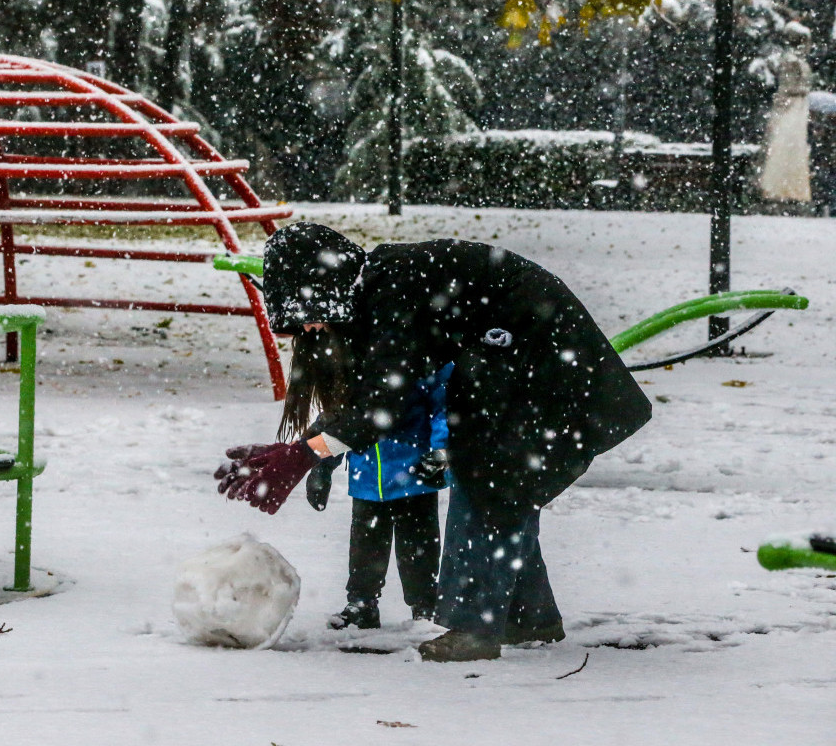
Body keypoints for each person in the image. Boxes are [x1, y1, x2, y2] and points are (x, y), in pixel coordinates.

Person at [215, 222, 652, 662]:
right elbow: (375, 397)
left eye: (307, 313)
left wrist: (306, 455)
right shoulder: (377, 291)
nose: (309, 328)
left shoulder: (392, 291)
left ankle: (474, 629)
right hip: (522, 370)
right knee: (503, 487)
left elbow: (386, 401)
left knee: (490, 483)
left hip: (548, 371)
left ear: (326, 287)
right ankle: (528, 618)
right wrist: (295, 450)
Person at [308, 362, 453, 631]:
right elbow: (341, 418)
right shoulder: (357, 355)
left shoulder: (424, 355)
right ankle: (362, 602)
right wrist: (323, 464)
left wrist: (440, 450)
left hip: (415, 471)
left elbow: (442, 406)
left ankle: (425, 606)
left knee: (418, 545)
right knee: (366, 543)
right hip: (368, 474)